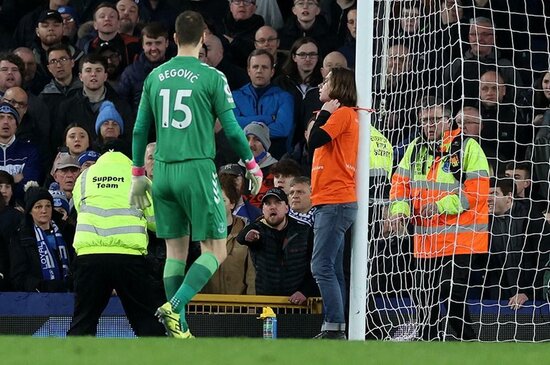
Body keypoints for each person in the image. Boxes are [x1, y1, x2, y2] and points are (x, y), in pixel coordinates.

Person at [129, 11, 264, 339]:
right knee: (215, 250)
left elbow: (138, 129)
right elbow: (232, 131)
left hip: (162, 170)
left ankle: (181, 330)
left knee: (175, 252)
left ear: (174, 39)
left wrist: (137, 174)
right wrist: (251, 164)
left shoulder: (155, 76)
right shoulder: (212, 77)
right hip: (197, 169)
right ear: (203, 39)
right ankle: (175, 306)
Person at [389, 96, 490, 341]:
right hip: (425, 241)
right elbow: (399, 184)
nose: (429, 125)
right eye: (425, 120)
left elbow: (477, 191)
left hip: (460, 239)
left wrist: (440, 206)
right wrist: (399, 211)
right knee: (425, 299)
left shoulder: (467, 147)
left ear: (448, 120)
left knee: (450, 293)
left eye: (435, 119)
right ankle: (449, 341)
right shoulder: (414, 148)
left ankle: (449, 338)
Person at [67, 147, 164, 337]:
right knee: (147, 322)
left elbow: (80, 208)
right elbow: (155, 223)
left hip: (89, 256)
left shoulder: (85, 177)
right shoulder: (138, 178)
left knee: (83, 322)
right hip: (129, 257)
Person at [307, 67, 359, 340]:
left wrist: (325, 112)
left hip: (335, 200)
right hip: (333, 200)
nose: (320, 85)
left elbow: (315, 141)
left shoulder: (341, 114)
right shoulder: (347, 116)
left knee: (321, 266)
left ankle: (334, 327)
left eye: (325, 80)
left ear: (338, 86)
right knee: (333, 268)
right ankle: (336, 327)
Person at [237, 187, 316, 300]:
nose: (272, 206)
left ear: (286, 208)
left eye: (277, 203)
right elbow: (241, 238)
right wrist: (249, 235)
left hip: (298, 304)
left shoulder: (304, 231)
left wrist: (305, 291)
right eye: (268, 204)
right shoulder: (257, 228)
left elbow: (316, 266)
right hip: (265, 304)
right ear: (263, 210)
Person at [9, 182, 73, 292]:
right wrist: (43, 286)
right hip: (36, 299)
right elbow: (19, 276)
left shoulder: (67, 231)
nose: (44, 210)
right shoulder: (21, 236)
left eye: (48, 206)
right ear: (30, 210)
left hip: (69, 294)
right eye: (38, 206)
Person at [233, 49, 295, 159]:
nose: (259, 71)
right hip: (242, 157)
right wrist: (268, 118)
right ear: (248, 70)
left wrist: (248, 127)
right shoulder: (235, 96)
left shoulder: (284, 97)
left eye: (264, 67)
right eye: (255, 67)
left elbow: (283, 129)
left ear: (272, 72)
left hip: (276, 158)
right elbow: (233, 125)